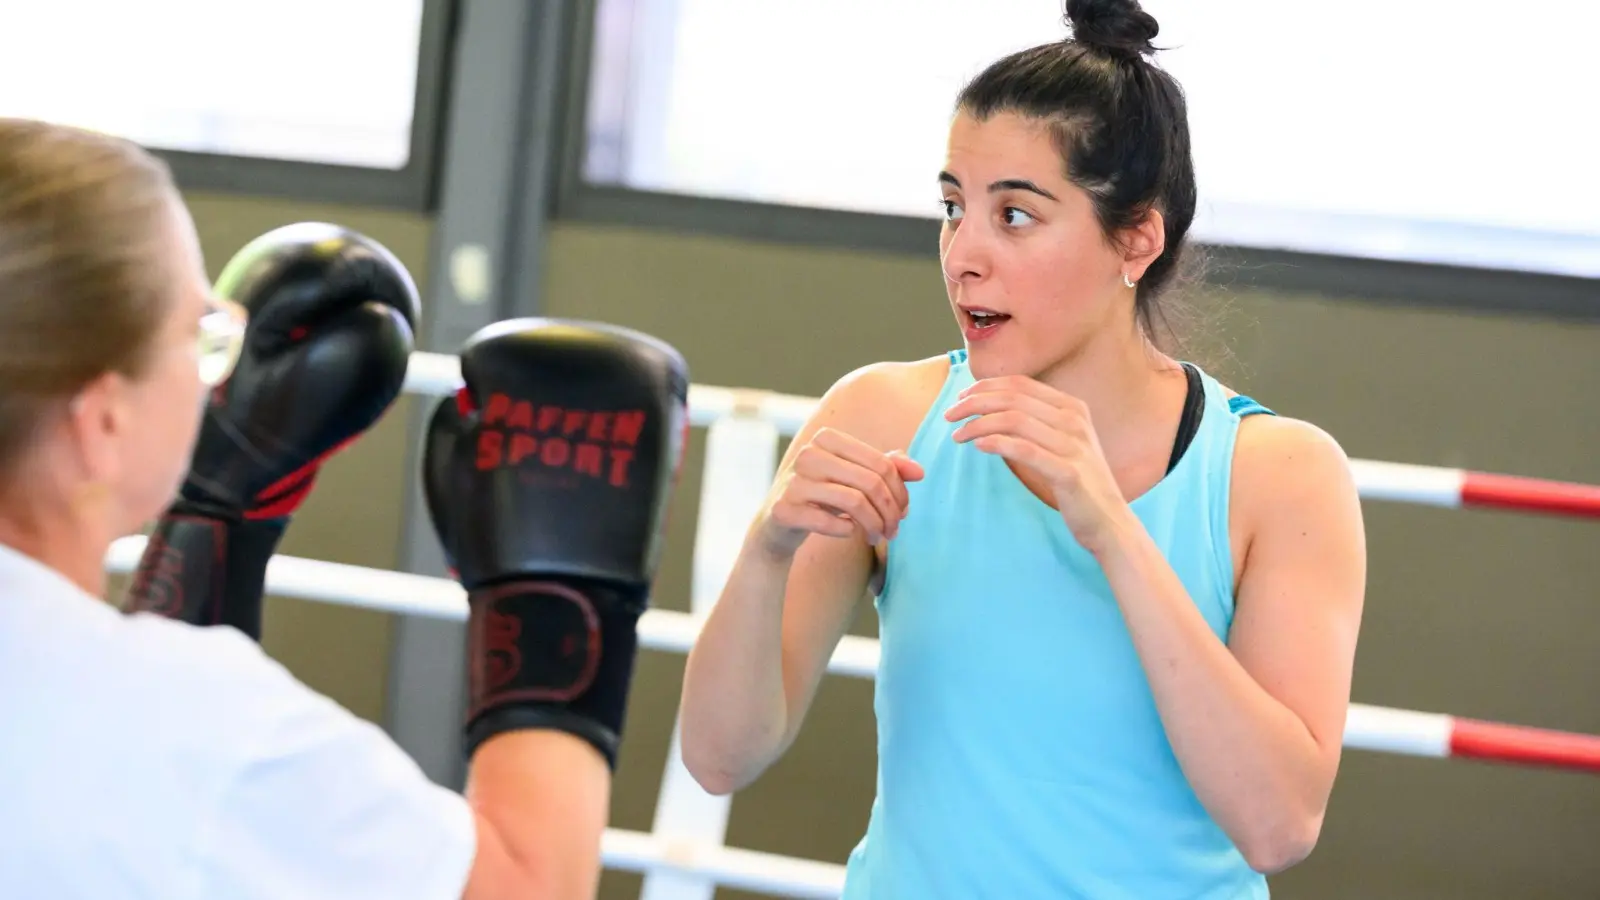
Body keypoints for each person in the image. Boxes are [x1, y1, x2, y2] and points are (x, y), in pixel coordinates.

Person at [677, 1, 1368, 897]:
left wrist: (1113, 530)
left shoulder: (1279, 475)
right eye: (954, 207)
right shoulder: (884, 416)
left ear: (1137, 239)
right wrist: (769, 548)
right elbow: (717, 758)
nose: (963, 254)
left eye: (1015, 216)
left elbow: (1279, 826)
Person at [0, 116, 689, 899]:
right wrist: (559, 597)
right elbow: (525, 887)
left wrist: (216, 518)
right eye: (200, 333)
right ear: (102, 423)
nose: (211, 369)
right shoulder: (209, 730)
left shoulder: (150, 714)